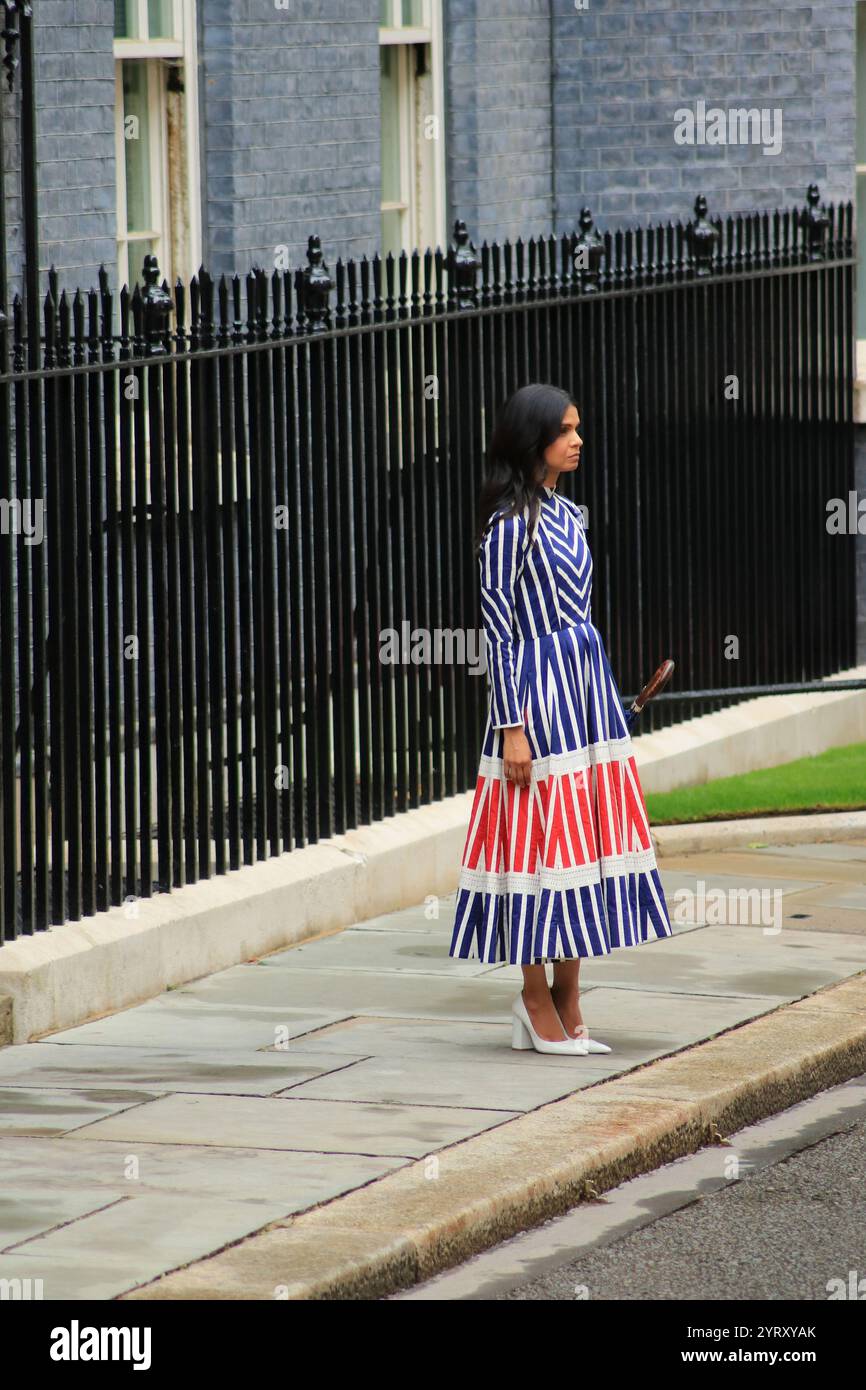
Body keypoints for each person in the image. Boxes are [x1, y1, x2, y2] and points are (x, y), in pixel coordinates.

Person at [448, 383, 673, 1056]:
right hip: (534, 698)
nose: (578, 439)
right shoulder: (507, 526)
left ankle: (570, 993)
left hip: (584, 691)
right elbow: (499, 629)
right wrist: (511, 726)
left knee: (588, 838)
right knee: (534, 840)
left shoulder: (568, 515)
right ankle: (533, 994)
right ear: (532, 438)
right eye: (566, 430)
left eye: (579, 428)